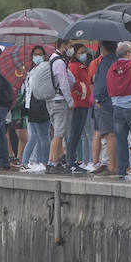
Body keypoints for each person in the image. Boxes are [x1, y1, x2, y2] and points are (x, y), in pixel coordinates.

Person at [107, 41, 131, 179]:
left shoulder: (111, 68)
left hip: (117, 107)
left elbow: (109, 87)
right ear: (128, 53)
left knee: (120, 140)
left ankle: (122, 170)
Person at [44, 44, 75, 174]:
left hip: (51, 101)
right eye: (70, 45)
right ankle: (54, 163)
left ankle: (51, 162)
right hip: (59, 101)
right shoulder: (59, 62)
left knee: (56, 133)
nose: (71, 49)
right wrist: (70, 101)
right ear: (63, 45)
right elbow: (64, 83)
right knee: (58, 134)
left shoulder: (52, 58)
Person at [89, 41, 117, 176]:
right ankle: (114, 163)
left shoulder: (104, 63)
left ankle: (111, 165)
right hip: (115, 101)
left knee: (108, 134)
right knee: (113, 134)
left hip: (105, 102)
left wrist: (98, 98)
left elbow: (102, 84)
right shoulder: (117, 60)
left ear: (102, 48)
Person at [66, 43, 93, 173]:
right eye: (80, 52)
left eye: (84, 52)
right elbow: (73, 83)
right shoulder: (74, 66)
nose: (83, 55)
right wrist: (80, 92)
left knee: (77, 134)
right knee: (74, 133)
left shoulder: (81, 66)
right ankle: (70, 161)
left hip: (84, 103)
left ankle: (72, 161)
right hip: (78, 103)